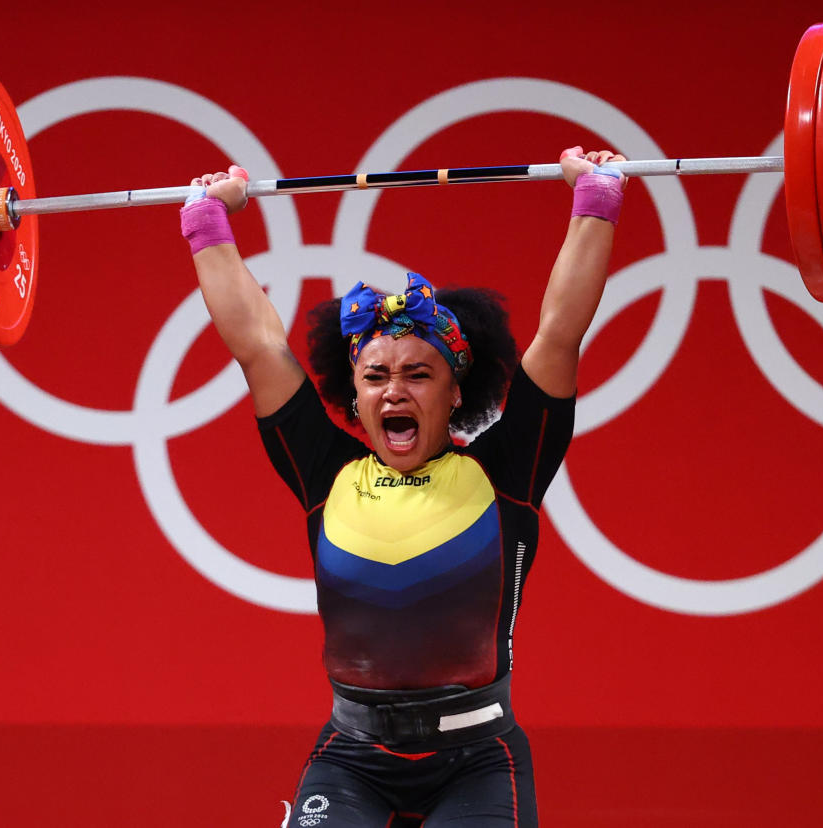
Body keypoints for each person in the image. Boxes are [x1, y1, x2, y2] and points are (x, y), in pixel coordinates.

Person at [182, 146, 627, 827]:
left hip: (479, 759)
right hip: (353, 757)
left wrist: (594, 201)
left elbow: (561, 332)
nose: (394, 389)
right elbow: (257, 345)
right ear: (355, 398)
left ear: (455, 394)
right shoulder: (327, 475)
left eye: (418, 375)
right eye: (376, 377)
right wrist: (208, 222)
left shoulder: (505, 472)